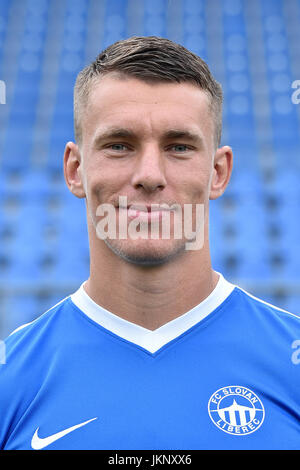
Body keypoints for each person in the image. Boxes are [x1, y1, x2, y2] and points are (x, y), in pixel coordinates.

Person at [0, 36, 299, 451]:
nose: (150, 174)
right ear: (74, 169)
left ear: (218, 172)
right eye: (119, 145)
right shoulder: (11, 375)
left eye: (179, 147)